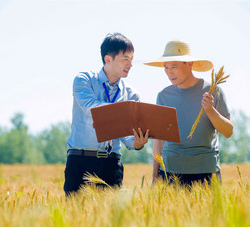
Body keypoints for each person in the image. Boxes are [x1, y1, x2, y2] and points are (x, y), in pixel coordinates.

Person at [64, 33, 149, 196]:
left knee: (110, 219)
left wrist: (138, 143)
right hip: (81, 161)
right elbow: (92, 108)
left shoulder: (131, 95)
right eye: (125, 59)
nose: (130, 64)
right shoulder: (84, 80)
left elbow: (128, 137)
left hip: (112, 164)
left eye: (132, 59)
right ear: (108, 59)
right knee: (76, 219)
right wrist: (124, 112)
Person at [144, 39, 233, 187]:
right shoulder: (163, 96)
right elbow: (159, 140)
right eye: (165, 67)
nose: (169, 72)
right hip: (170, 173)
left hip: (207, 173)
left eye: (174, 66)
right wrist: (155, 175)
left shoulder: (212, 91)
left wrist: (210, 111)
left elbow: (228, 131)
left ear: (190, 64)